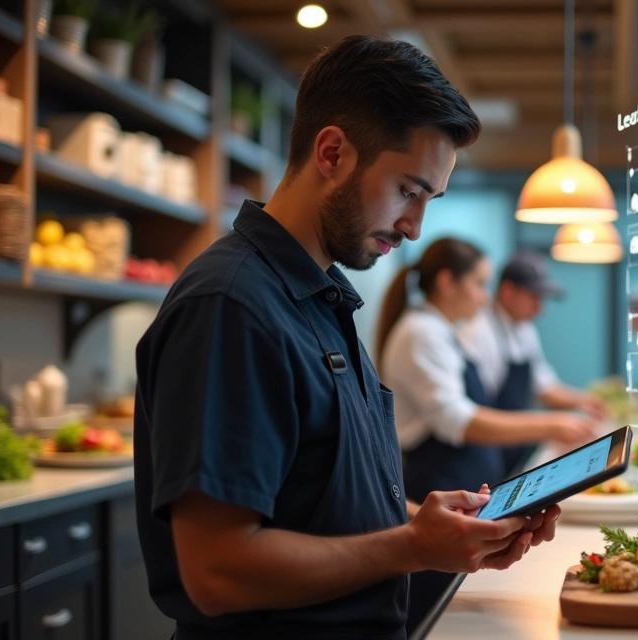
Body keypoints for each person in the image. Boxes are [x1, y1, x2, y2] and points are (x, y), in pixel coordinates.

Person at [133, 36, 559, 640]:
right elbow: (218, 570)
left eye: (427, 199)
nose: (415, 227)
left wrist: (444, 533)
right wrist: (412, 546)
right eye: (409, 190)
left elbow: (322, 506)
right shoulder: (232, 304)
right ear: (331, 152)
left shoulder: (319, 294)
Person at [377, 238, 600, 633]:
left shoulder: (441, 331)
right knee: (437, 620)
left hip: (463, 484)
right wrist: (549, 424)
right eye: (479, 284)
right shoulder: (420, 333)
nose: (484, 298)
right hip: (437, 486)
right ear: (447, 282)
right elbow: (455, 419)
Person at [459, 250, 610, 475]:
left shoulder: (525, 329)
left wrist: (583, 402)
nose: (540, 308)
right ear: (508, 292)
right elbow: (475, 414)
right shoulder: (478, 333)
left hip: (514, 449)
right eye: (534, 297)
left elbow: (543, 385)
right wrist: (549, 425)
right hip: (482, 454)